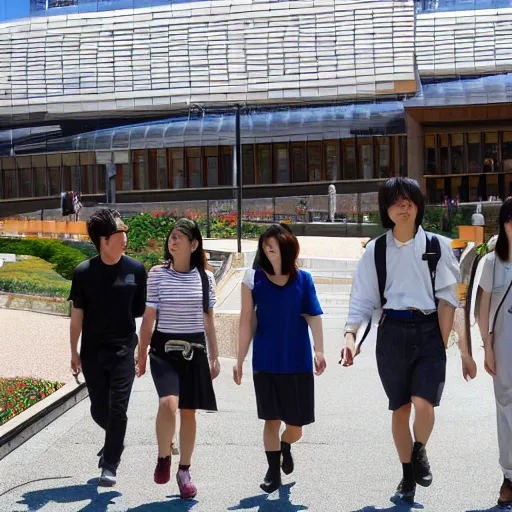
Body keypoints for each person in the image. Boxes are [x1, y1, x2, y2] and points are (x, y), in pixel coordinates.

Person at [341, 178, 459, 505]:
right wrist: (351, 338)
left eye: (409, 200)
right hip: (391, 331)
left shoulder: (439, 246)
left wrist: (445, 342)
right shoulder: (375, 251)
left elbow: (449, 299)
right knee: (400, 408)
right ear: (386, 209)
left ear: (419, 205)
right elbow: (362, 302)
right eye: (396, 201)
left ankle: (419, 451)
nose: (403, 206)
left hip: (429, 330)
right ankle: (407, 476)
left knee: (425, 403)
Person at [234, 223, 326, 494]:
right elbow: (246, 321)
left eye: (273, 242)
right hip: (265, 362)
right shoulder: (253, 279)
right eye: (265, 243)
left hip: (297, 362)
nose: (268, 246)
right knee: (271, 420)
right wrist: (239, 359)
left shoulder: (304, 279)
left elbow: (313, 316)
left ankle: (286, 446)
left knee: (295, 428)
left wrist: (319, 351)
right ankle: (273, 473)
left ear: (287, 246)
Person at [137, 218, 220, 500]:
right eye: (171, 236)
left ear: (194, 244)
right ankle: (163, 458)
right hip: (164, 350)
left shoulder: (205, 278)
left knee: (189, 412)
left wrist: (215, 356)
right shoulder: (157, 274)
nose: (173, 241)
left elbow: (209, 319)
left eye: (180, 237)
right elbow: (149, 317)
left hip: (194, 350)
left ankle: (184, 470)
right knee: (168, 403)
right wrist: (141, 352)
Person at [69, 209, 147, 487]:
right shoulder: (83, 273)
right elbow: (76, 314)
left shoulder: (136, 270)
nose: (125, 237)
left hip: (124, 348)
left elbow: (139, 312)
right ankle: (117, 440)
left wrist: (143, 349)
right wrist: (73, 352)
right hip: (92, 350)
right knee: (98, 409)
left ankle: (110, 463)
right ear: (104, 239)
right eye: (119, 233)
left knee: (118, 408)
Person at [473, 198, 512, 508]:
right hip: (502, 345)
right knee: (506, 409)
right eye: (510, 220)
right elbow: (482, 307)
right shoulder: (492, 261)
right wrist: (486, 348)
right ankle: (509, 475)